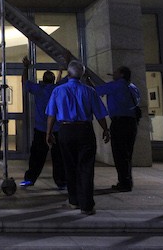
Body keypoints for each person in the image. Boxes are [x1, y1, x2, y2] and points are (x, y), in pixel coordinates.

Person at [46, 60, 110, 215]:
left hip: (66, 130)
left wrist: (48, 133)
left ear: (68, 74)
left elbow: (51, 114)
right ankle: (87, 205)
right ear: (82, 75)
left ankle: (73, 200)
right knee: (86, 167)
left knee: (69, 166)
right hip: (85, 130)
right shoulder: (90, 91)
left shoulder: (58, 91)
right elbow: (99, 113)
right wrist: (106, 129)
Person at [20, 57, 66, 189]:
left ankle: (30, 179)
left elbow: (24, 82)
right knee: (59, 157)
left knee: (37, 156)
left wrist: (26, 68)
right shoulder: (58, 89)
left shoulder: (39, 89)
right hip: (57, 129)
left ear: (43, 80)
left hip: (41, 129)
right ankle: (61, 181)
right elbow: (67, 79)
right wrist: (63, 68)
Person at [93, 66, 140, 192]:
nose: (113, 73)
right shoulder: (133, 87)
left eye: (116, 72)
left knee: (119, 154)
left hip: (120, 123)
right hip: (131, 123)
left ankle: (124, 182)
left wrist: (87, 82)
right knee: (127, 154)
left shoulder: (116, 85)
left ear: (122, 75)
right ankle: (127, 181)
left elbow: (95, 91)